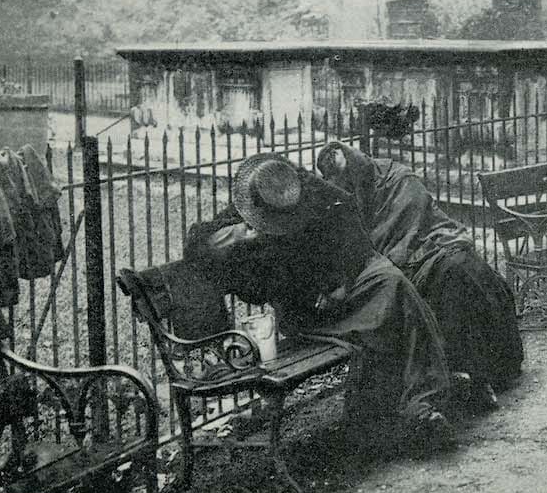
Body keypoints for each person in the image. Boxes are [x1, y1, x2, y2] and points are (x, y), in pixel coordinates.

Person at [184, 153, 456, 453]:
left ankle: (416, 405)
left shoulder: (302, 187)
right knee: (395, 301)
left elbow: (349, 217)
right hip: (305, 314)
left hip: (340, 294)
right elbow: (232, 278)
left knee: (393, 284)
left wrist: (344, 280)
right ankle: (418, 406)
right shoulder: (241, 215)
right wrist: (234, 239)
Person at [316, 141, 523, 411]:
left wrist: (400, 250)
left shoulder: (398, 177)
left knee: (462, 267)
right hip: (397, 263)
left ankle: (489, 370)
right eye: (342, 181)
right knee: (446, 277)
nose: (350, 186)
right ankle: (461, 377)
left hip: (428, 241)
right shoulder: (343, 201)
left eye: (351, 177)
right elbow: (358, 246)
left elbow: (416, 222)